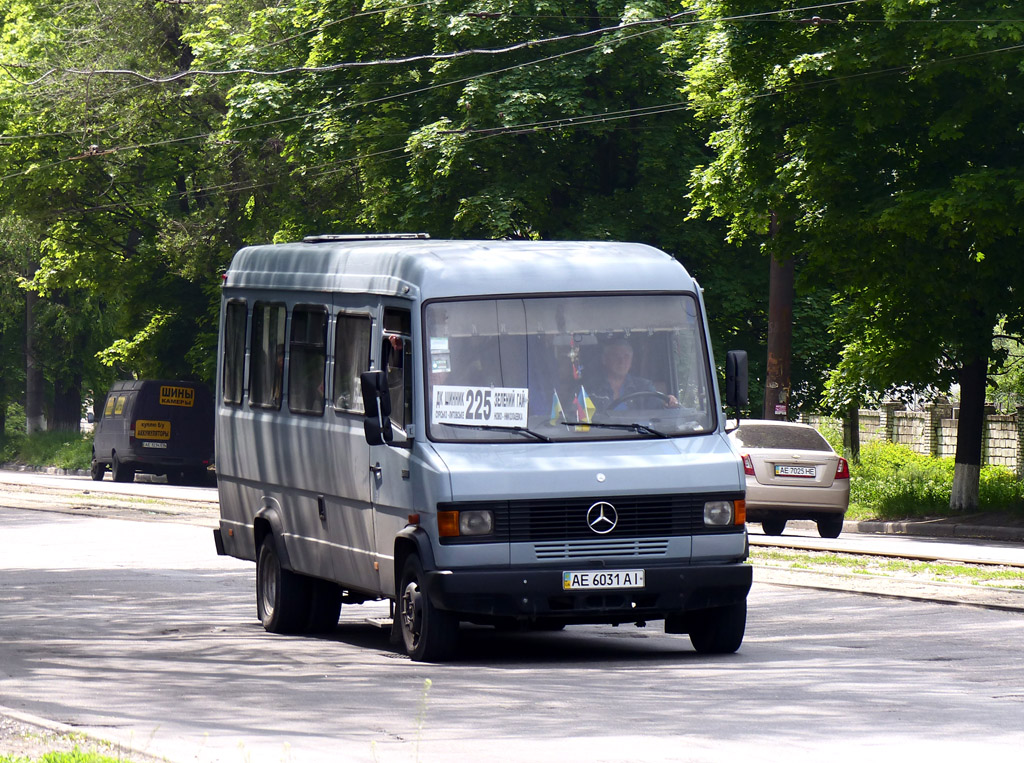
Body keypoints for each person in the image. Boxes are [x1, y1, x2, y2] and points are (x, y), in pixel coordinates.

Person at [587, 337, 678, 411]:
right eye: (616, 356)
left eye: (626, 356)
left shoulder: (645, 387)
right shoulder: (590, 389)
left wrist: (668, 405)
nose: (621, 361)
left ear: (631, 360)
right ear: (605, 360)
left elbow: (659, 415)